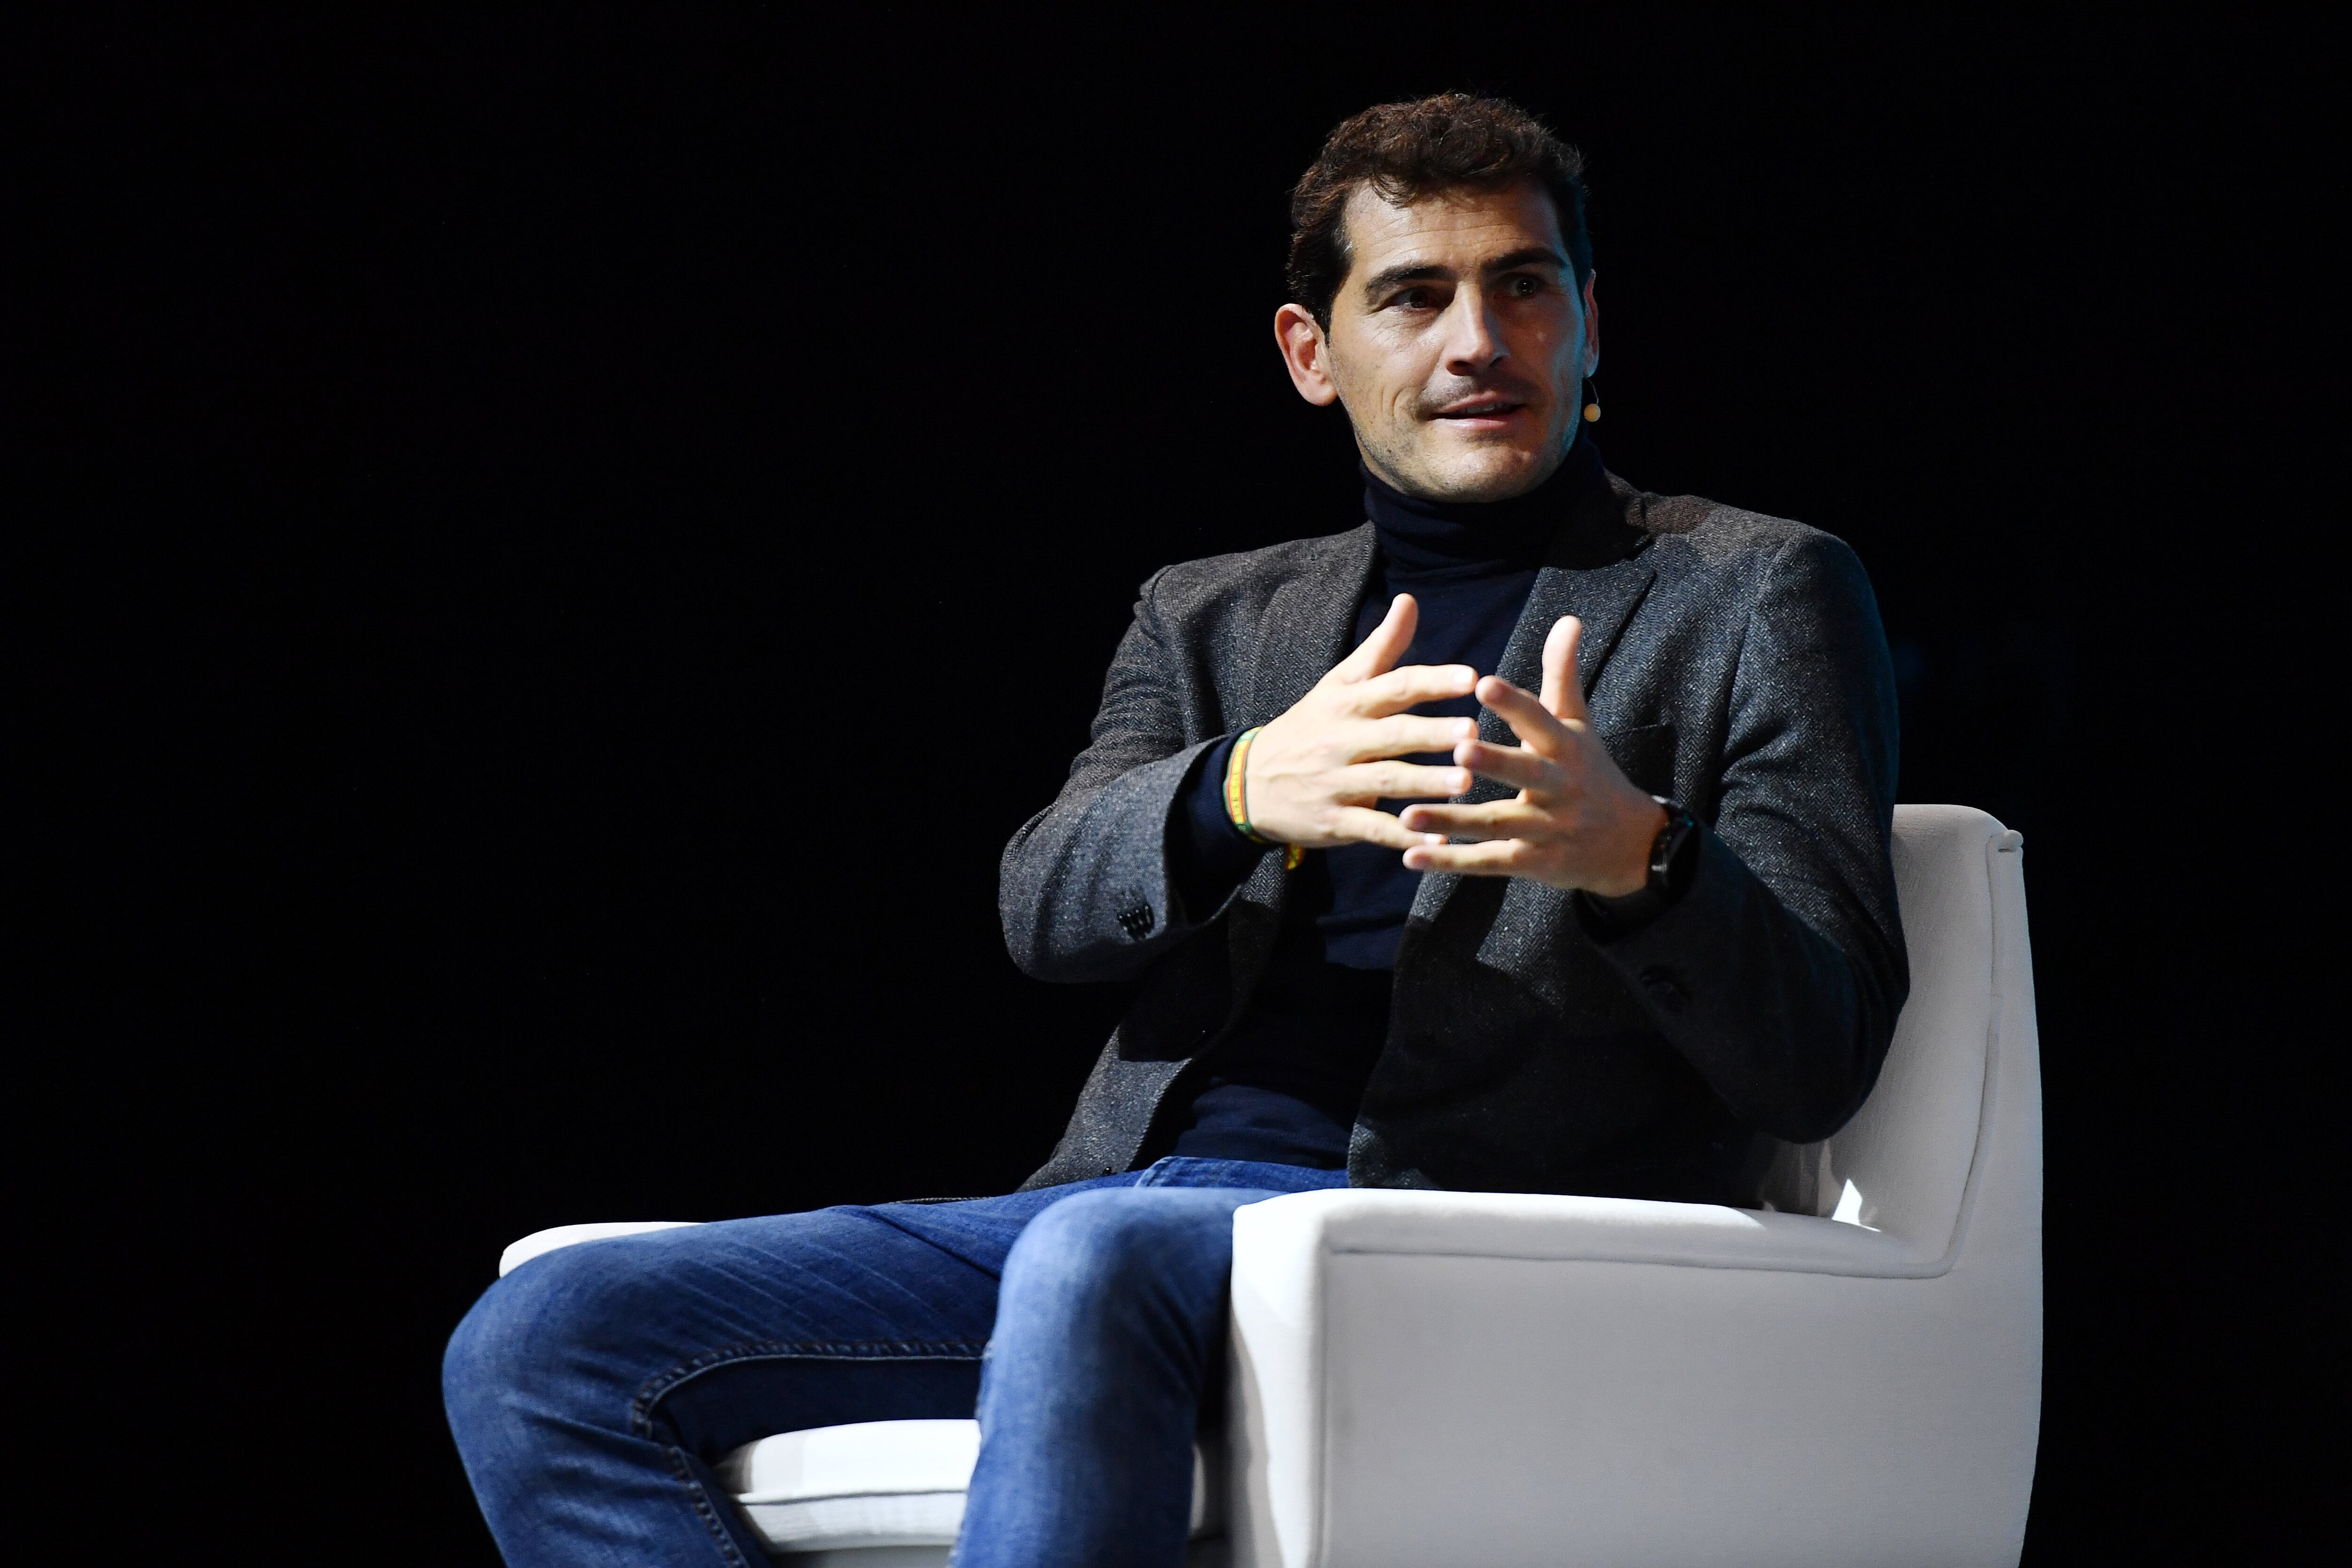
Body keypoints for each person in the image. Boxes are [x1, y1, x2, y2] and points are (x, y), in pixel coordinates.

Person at [443, 92, 1907, 1568]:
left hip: (1472, 1235)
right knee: (544, 1335)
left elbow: (1820, 1049)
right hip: (1135, 1206)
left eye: (1522, 285)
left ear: (1589, 319)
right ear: (1310, 355)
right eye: (1412, 295)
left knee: (1095, 1257)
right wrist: (1237, 790)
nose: (1478, 341)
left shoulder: (1755, 589)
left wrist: (1640, 862)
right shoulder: (1212, 611)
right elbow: (1043, 903)